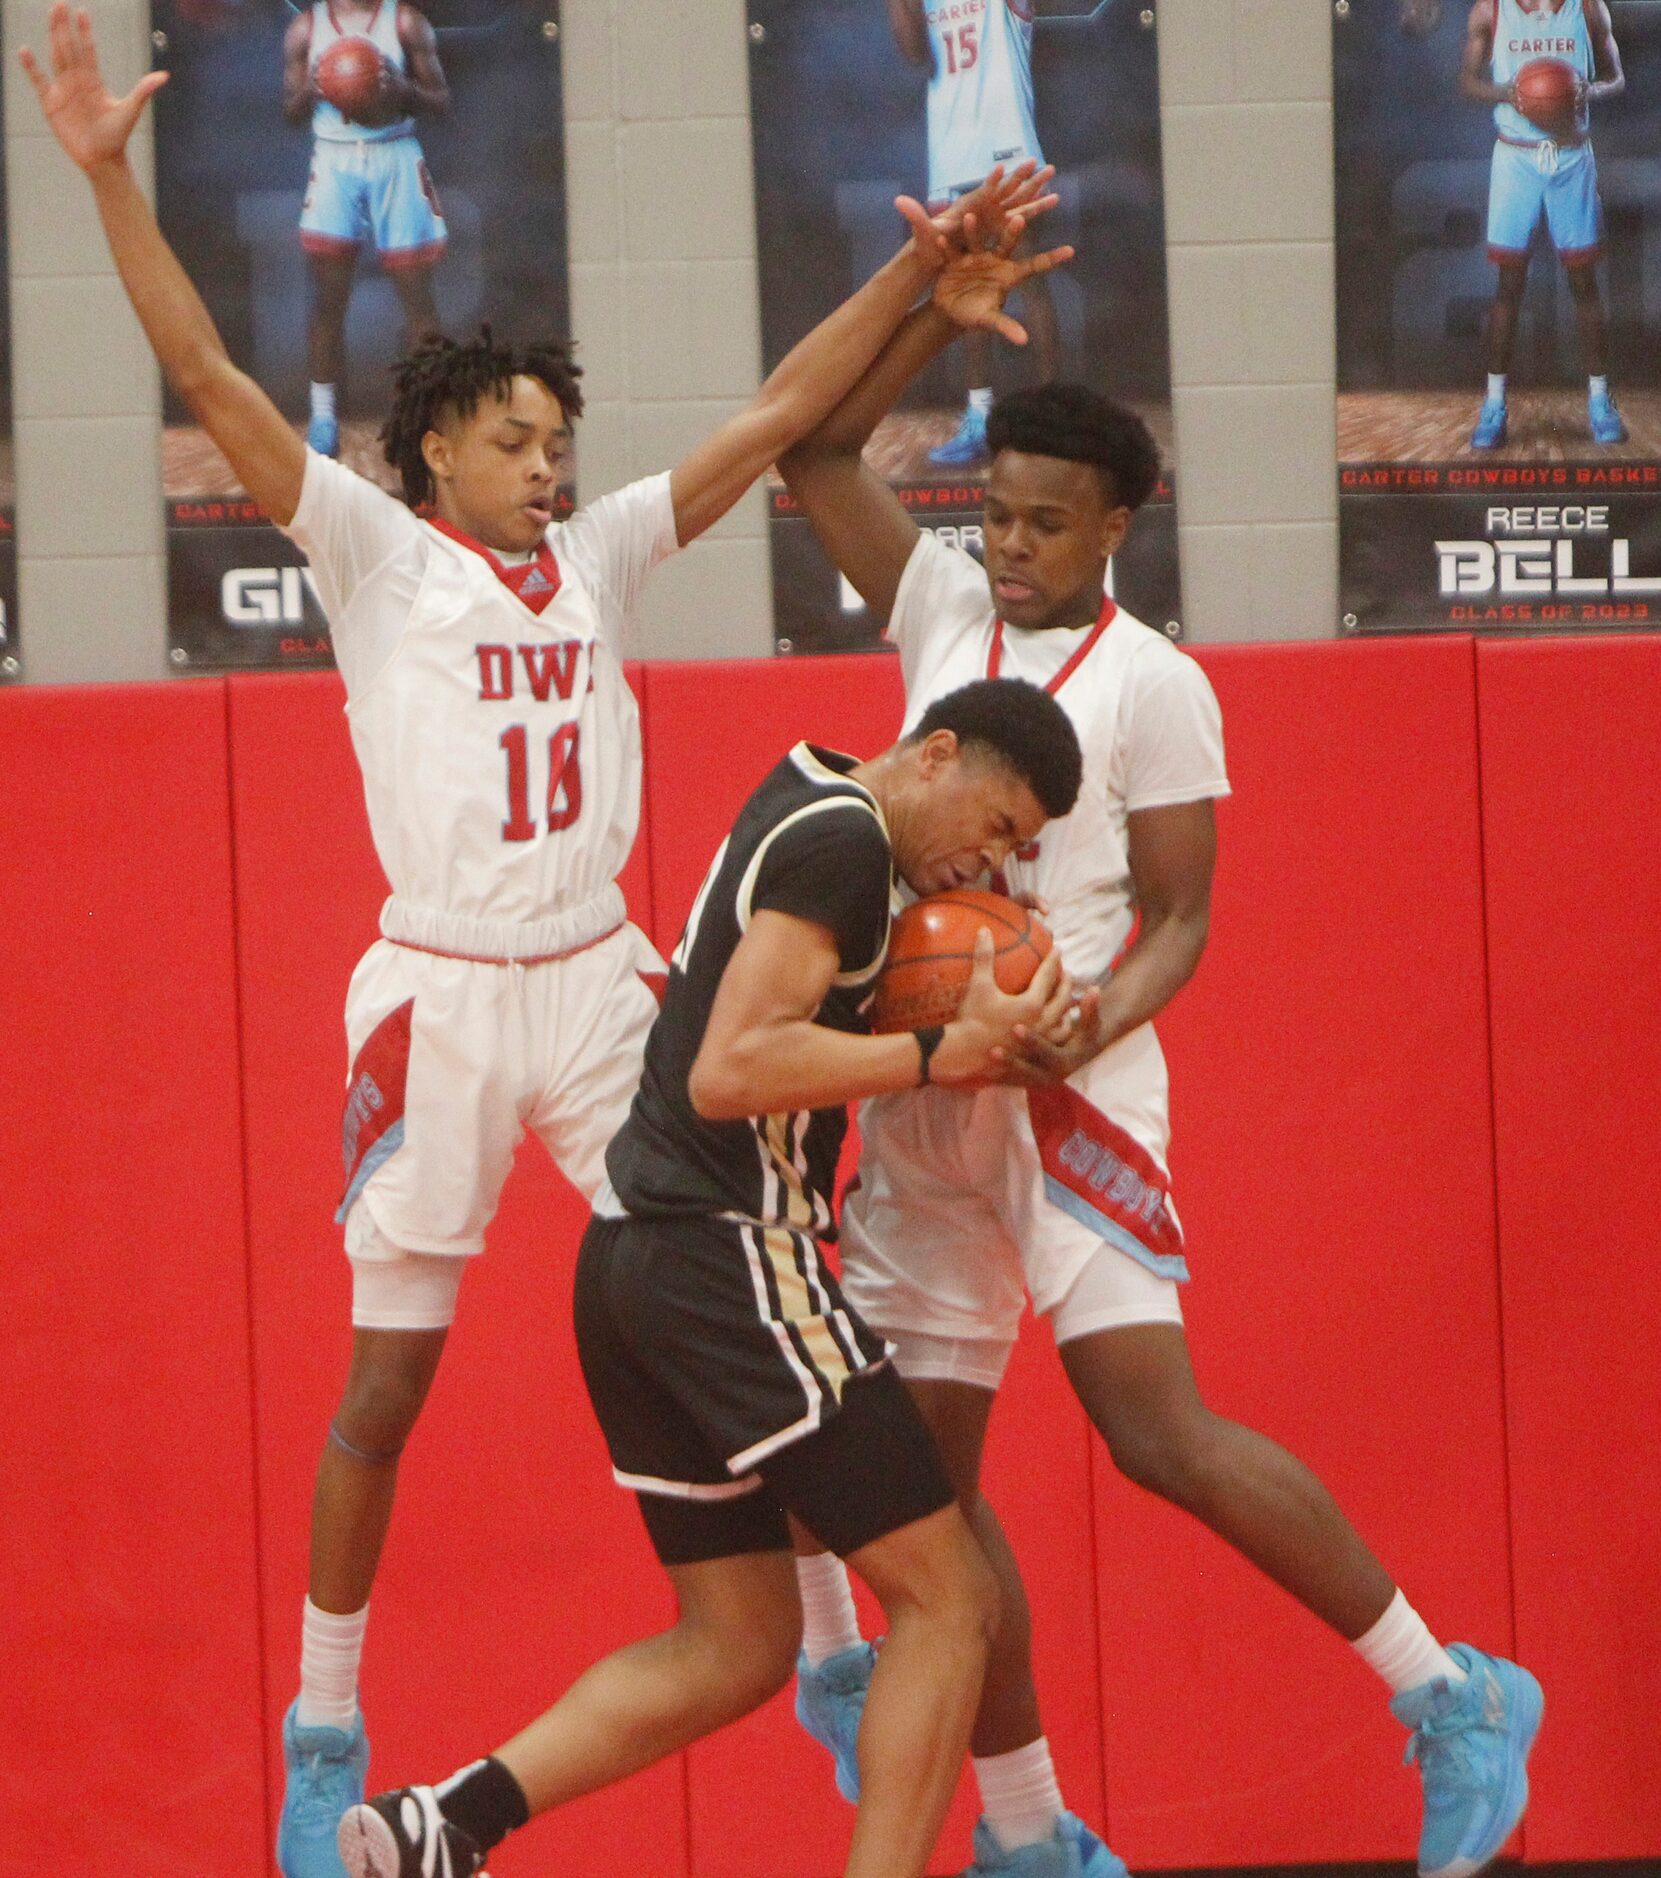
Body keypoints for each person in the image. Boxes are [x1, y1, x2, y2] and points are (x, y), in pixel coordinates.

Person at [18, 14, 1071, 1875]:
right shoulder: (367, 549)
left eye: (558, 441)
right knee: (385, 1384)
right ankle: (327, 1710)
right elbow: (197, 359)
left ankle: (834, 1655)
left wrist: (913, 273)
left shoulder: (592, 559)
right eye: (513, 439)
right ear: (433, 448)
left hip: (597, 978)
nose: (544, 464)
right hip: (435, 985)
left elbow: (765, 418)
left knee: (751, 1269)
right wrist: (107, 175)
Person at [774, 256, 1544, 1878]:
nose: (1012, 541)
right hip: (921, 1087)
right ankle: (1033, 1831)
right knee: (924, 1492)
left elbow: (1184, 916)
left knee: (1155, 1430)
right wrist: (927, 304)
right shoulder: (939, 610)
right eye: (997, 511)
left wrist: (1087, 1020)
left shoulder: (1156, 682)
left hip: (1067, 1082)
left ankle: (1450, 1688)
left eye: (1047, 519)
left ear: (1118, 523)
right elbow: (814, 454)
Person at [335, 677, 1085, 1878]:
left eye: (1016, 850)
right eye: (993, 826)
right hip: (726, 1253)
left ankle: (452, 1820)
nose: (988, 863)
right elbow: (728, 1072)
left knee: (738, 1640)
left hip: (631, 1264)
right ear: (935, 755)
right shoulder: (843, 843)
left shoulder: (809, 795)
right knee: (954, 1603)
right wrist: (943, 1052)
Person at [890, 0, 1060, 466]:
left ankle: (1053, 421)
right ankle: (980, 416)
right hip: (952, 155)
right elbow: (915, 56)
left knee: (1027, 280)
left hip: (1008, 151)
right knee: (970, 290)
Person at [284, 0, 450, 458]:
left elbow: (441, 102)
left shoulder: (405, 22)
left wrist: (402, 90)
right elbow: (290, 112)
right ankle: (323, 416)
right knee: (328, 300)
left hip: (394, 154)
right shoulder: (305, 29)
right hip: (335, 159)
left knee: (417, 298)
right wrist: (317, 90)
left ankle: (425, 415)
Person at [1461, 0, 1626, 450]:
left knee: (1584, 284)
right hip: (1516, 157)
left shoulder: (1588, 8)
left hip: (1572, 156)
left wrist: (1588, 91)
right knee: (1508, 287)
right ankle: (1494, 405)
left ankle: (1599, 402)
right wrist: (1509, 93)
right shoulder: (1489, 10)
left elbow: (1617, 79)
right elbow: (1468, 82)